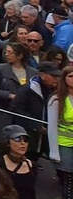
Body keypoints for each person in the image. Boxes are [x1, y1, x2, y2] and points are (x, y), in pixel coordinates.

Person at [0, 124, 35, 199]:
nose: (23, 143)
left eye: (25, 140)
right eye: (18, 139)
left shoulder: (32, 166)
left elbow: (31, 193)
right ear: (7, 142)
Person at [51, 64, 73, 199]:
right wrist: (54, 150)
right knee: (69, 178)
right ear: (64, 79)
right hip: (64, 143)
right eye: (71, 76)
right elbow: (52, 127)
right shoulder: (56, 99)